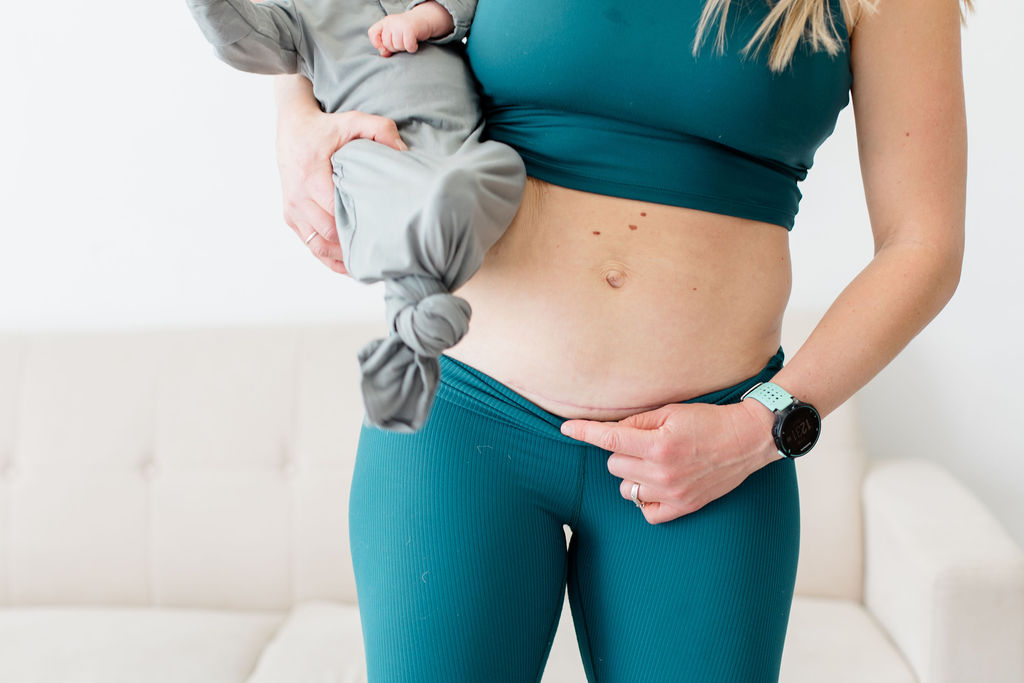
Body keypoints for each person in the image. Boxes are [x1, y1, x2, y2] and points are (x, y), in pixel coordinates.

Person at [272, 0, 971, 679]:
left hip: (708, 465)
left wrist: (762, 426)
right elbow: (326, 11)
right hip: (462, 418)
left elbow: (923, 245)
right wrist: (294, 118)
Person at [184, 0, 526, 432]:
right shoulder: (298, 14)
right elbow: (238, 38)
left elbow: (467, 7)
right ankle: (414, 307)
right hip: (377, 148)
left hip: (460, 147)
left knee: (501, 169)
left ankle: (418, 302)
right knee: (378, 189)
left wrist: (423, 18)